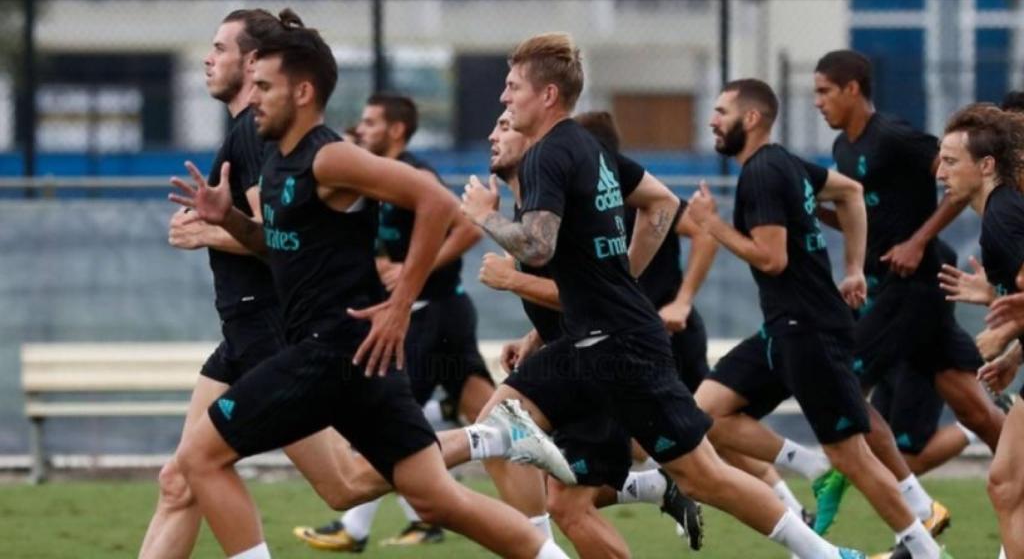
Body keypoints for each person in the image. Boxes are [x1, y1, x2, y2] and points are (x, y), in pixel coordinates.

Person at [168, 10, 570, 559]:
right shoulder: (281, 164)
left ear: (303, 91)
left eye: (264, 86)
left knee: (199, 457)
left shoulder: (329, 156)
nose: (253, 97)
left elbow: (433, 200)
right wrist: (229, 220)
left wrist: (401, 303)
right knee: (432, 499)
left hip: (326, 352)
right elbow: (280, 247)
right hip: (359, 360)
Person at [460, 32, 866, 559]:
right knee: (507, 433)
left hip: (621, 345)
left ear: (548, 95)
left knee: (704, 477)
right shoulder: (587, 147)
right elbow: (661, 202)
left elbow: (537, 246)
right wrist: (614, 278)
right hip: (594, 340)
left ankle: (828, 555)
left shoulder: (550, 156)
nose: (503, 100)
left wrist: (483, 217)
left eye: (512, 87)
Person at [688, 78, 948, 559]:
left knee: (853, 455)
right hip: (781, 329)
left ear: (751, 119)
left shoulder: (763, 173)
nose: (711, 120)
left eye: (721, 111)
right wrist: (853, 268)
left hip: (808, 331)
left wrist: (713, 224)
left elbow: (772, 259)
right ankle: (810, 466)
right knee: (703, 414)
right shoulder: (785, 162)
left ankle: (927, 551)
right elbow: (850, 192)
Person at [141, 9, 369, 559]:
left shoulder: (255, 133)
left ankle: (489, 440)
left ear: (250, 63)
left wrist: (208, 232)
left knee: (344, 484)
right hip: (242, 334)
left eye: (219, 48)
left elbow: (282, 241)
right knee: (179, 481)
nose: (207, 58)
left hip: (270, 331)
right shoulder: (250, 133)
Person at [294, 93, 550, 551]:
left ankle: (355, 526)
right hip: (443, 315)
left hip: (434, 316)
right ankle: (537, 527)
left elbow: (469, 227)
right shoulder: (374, 180)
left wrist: (418, 268)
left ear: (396, 130)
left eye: (371, 122)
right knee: (491, 420)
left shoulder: (416, 174)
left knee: (387, 420)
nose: (362, 129)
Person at [479, 109, 707, 556]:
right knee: (565, 487)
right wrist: (534, 336)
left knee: (552, 482)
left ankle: (816, 542)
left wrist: (679, 299)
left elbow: (590, 292)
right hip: (585, 347)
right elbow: (581, 293)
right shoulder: (535, 204)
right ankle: (658, 488)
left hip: (613, 347)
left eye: (507, 124)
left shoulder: (575, 197)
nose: (495, 133)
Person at [812, 51, 1005, 544]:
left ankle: (912, 505)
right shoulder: (841, 148)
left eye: (824, 91)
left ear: (853, 88)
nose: (818, 102)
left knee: (843, 385)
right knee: (976, 409)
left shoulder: (896, 137)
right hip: (896, 286)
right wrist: (813, 212)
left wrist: (918, 240)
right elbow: (864, 217)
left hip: (913, 286)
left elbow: (958, 180)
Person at [934, 103, 1024, 559]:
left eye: (950, 162)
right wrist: (1013, 350)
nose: (939, 173)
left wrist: (1005, 331)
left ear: (986, 166)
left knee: (1007, 486)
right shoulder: (1003, 212)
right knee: (1005, 485)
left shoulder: (1002, 219)